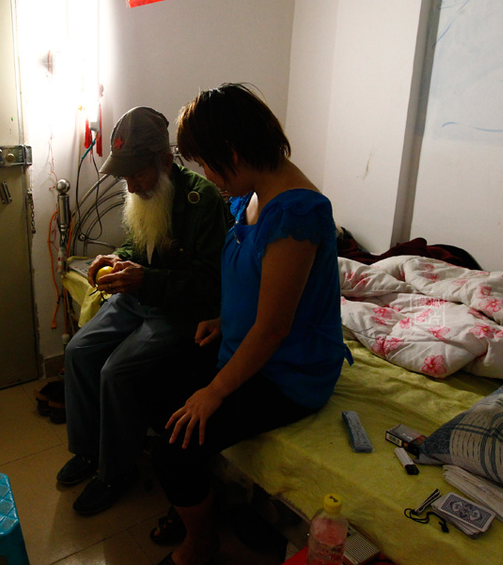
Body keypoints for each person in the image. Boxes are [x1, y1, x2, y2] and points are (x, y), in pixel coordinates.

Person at [148, 84, 351, 565]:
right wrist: (225, 319)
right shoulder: (252, 197)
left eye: (207, 163)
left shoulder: (297, 213)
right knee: (156, 390)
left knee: (176, 444)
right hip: (247, 346)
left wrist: (214, 392)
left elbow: (276, 327)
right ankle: (198, 501)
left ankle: (200, 543)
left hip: (289, 372)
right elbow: (259, 284)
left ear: (233, 153)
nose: (207, 176)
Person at [57, 106, 230, 515]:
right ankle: (88, 450)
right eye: (125, 177)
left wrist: (144, 280)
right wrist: (116, 259)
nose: (131, 185)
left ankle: (116, 471)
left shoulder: (202, 201)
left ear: (165, 162)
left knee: (115, 371)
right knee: (78, 351)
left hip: (177, 311)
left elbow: (210, 284)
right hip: (139, 299)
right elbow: (139, 247)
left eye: (137, 174)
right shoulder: (144, 195)